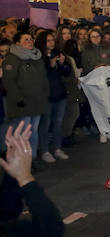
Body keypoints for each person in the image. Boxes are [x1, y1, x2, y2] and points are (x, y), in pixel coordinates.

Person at [2, 32, 48, 161]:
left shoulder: (36, 57)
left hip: (36, 101)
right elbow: (9, 82)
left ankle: (32, 159)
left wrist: (45, 94)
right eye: (26, 39)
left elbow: (43, 79)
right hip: (22, 104)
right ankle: (22, 160)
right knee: (23, 133)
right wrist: (19, 100)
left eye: (31, 39)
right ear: (17, 43)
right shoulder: (12, 59)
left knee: (33, 131)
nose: (30, 41)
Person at [35, 31, 71, 164]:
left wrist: (62, 64)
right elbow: (39, 76)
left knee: (58, 123)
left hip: (59, 94)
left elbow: (67, 72)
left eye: (52, 40)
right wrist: (50, 66)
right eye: (48, 41)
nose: (51, 43)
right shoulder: (38, 56)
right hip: (46, 95)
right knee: (45, 124)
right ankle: (44, 150)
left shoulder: (58, 53)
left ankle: (57, 148)